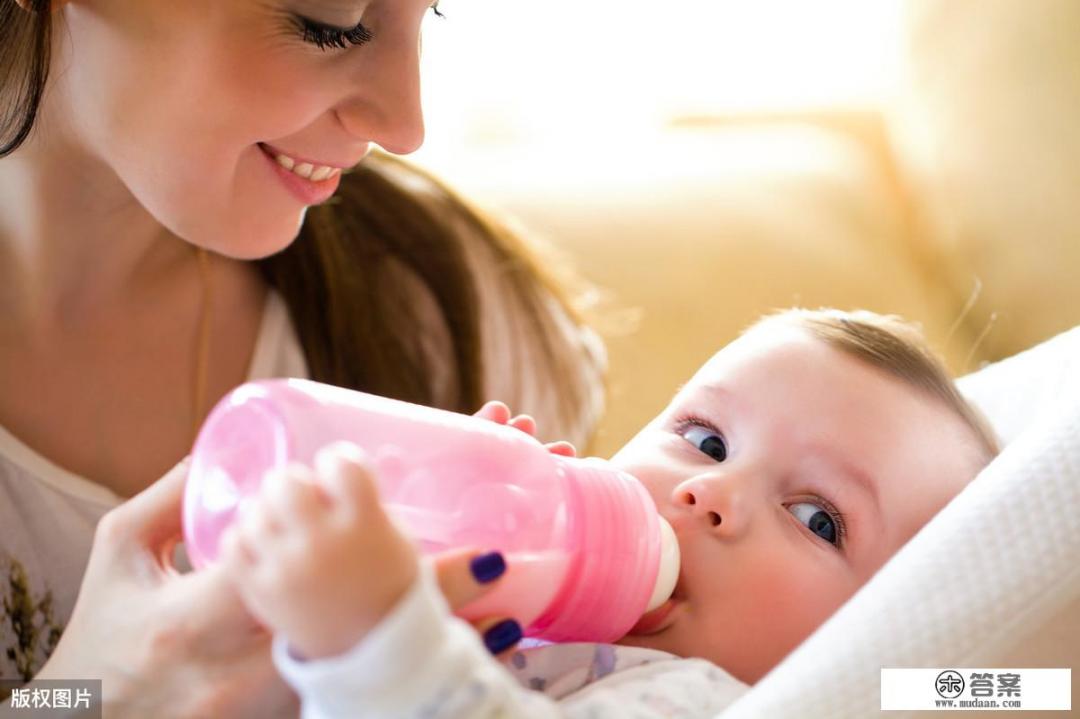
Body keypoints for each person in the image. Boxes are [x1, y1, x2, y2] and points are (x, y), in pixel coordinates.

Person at [0, 0, 605, 714]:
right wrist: (82, 698)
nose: (405, 127)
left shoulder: (437, 304)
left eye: (432, 13)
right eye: (332, 25)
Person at [221, 308, 1001, 718]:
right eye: (705, 438)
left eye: (817, 518)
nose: (710, 494)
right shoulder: (537, 627)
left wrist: (383, 637)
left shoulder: (703, 697)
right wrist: (439, 524)